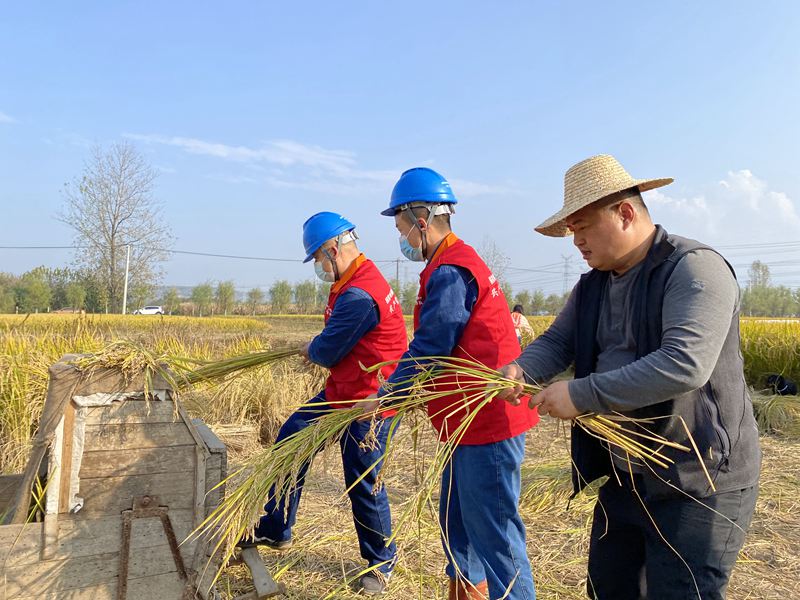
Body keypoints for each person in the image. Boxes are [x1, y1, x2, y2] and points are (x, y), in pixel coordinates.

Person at [499, 155, 761, 600]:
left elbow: (684, 363)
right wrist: (521, 370)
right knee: (609, 589)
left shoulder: (694, 269)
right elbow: (559, 342)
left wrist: (582, 395)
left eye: (582, 226)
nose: (576, 241)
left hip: (698, 479)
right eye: (571, 231)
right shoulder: (594, 284)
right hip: (627, 475)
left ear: (624, 213)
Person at [367, 168, 539, 600]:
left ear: (420, 220)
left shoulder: (451, 270)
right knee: (457, 524)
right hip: (465, 424)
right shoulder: (449, 264)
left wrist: (385, 398)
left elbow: (430, 348)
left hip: (489, 423)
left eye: (401, 226)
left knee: (497, 539)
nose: (402, 237)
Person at [240, 211, 408, 595]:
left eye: (318, 258)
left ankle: (382, 561)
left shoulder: (359, 294)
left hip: (369, 401)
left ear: (333, 249)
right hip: (343, 391)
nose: (318, 266)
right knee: (290, 442)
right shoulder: (353, 280)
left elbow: (330, 349)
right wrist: (320, 347)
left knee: (363, 478)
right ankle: (276, 528)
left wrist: (311, 348)